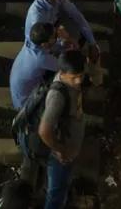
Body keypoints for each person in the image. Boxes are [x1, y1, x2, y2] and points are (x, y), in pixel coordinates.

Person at [36, 50, 88, 209]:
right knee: (56, 194)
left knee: (61, 184)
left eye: (81, 75)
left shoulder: (70, 82)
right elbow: (44, 130)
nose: (79, 81)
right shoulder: (57, 97)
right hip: (60, 155)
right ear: (62, 73)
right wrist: (60, 150)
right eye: (74, 78)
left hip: (70, 146)